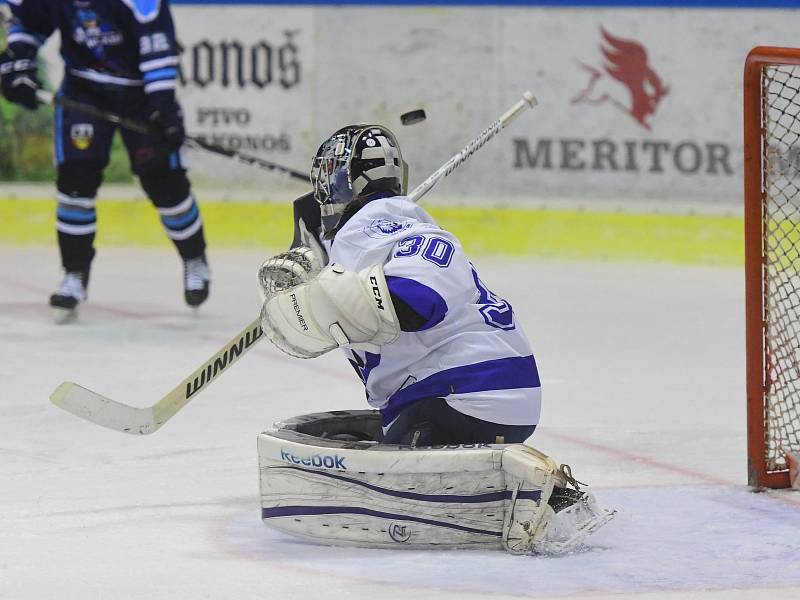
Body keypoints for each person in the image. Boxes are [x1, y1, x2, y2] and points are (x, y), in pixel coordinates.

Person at [258, 124, 541, 445]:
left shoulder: (366, 232)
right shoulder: (399, 230)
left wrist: (315, 302)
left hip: (460, 397)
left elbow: (420, 299)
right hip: (508, 399)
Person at [0, 0, 210, 318]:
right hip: (84, 89)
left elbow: (157, 45)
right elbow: (30, 21)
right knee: (75, 181)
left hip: (140, 94)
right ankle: (74, 276)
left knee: (164, 184)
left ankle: (195, 259)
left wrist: (162, 104)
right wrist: (19, 59)